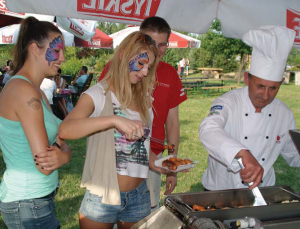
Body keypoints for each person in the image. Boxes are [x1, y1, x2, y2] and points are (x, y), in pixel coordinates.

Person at [59, 31, 160, 229]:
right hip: (102, 194)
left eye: (149, 66)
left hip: (139, 195)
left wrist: (159, 164)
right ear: (123, 55)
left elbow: (140, 150)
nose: (145, 72)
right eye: (141, 63)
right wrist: (113, 120)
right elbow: (65, 129)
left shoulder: (145, 99)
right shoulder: (98, 94)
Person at [98, 16, 188, 210]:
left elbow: (172, 123)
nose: (156, 49)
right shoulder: (116, 66)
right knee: (112, 211)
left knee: (146, 215)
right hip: (117, 159)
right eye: (150, 42)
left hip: (153, 159)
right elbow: (100, 112)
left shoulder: (170, 73)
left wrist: (172, 165)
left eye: (162, 44)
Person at [199, 26, 300, 191]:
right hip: (220, 194)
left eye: (273, 88)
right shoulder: (229, 102)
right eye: (260, 86)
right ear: (247, 78)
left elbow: (293, 156)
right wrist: (242, 153)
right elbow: (208, 130)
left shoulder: (284, 113)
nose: (266, 96)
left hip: (262, 192)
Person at [0, 16, 71, 228]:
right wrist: (64, 154)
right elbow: (45, 165)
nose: (63, 58)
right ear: (34, 48)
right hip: (28, 205)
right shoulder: (24, 91)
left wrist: (63, 152)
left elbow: (61, 139)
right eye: (57, 50)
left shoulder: (36, 91)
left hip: (33, 203)